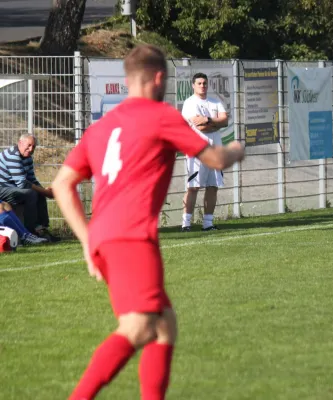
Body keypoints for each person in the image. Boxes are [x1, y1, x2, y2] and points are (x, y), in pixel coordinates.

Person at [52, 44, 245, 400]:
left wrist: (87, 241)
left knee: (163, 325)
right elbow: (216, 158)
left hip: (106, 238)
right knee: (139, 327)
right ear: (159, 78)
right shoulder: (160, 115)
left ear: (128, 80)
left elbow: (62, 183)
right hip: (131, 238)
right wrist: (237, 148)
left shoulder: (101, 127)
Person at [180, 72, 229, 232]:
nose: (202, 86)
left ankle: (208, 223)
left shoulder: (215, 102)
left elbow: (225, 121)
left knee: (213, 186)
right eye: (199, 83)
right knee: (193, 187)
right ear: (193, 85)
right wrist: (216, 123)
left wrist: (208, 120)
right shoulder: (189, 103)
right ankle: (186, 223)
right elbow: (200, 127)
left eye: (205, 83)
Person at [0, 134, 59, 241]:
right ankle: (30, 232)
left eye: (33, 147)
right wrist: (46, 192)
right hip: (2, 188)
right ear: (20, 143)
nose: (31, 149)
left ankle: (42, 228)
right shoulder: (13, 156)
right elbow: (22, 183)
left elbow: (32, 179)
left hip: (11, 188)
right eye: (29, 145)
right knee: (31, 194)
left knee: (38, 193)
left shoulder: (27, 157)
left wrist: (44, 191)